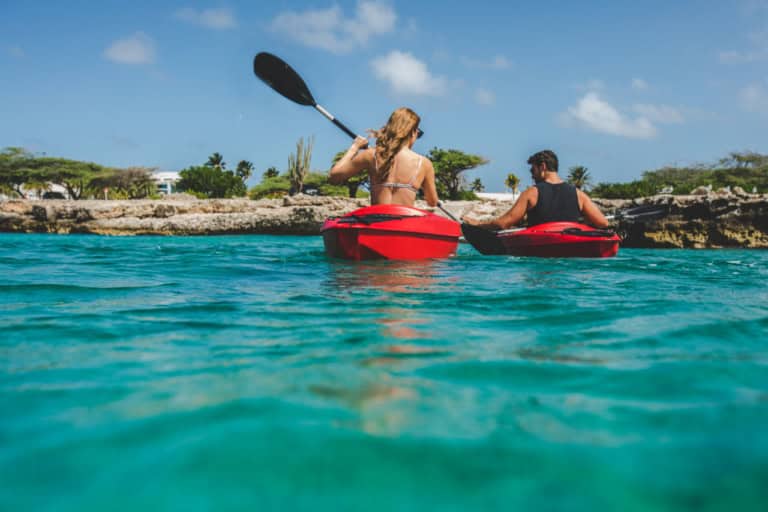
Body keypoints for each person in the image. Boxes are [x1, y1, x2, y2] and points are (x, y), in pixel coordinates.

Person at [463, 150, 609, 229]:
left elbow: (504, 223)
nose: (532, 175)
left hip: (540, 254)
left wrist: (477, 224)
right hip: (571, 259)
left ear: (543, 167)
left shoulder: (532, 193)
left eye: (533, 170)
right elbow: (603, 223)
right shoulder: (579, 194)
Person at [329, 107, 439, 207]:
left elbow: (334, 177)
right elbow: (432, 202)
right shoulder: (424, 163)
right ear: (413, 132)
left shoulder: (371, 155)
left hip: (377, 223)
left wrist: (355, 147)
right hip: (404, 225)